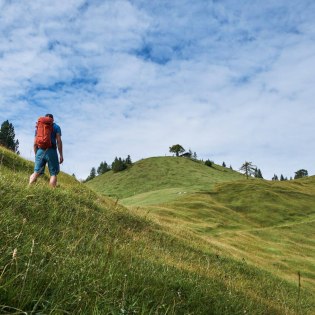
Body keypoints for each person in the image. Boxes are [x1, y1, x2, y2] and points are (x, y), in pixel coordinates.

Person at [29, 114, 64, 187]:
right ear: (52, 120)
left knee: (36, 172)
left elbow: (35, 143)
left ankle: (29, 187)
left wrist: (36, 154)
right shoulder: (56, 127)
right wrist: (61, 155)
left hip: (40, 150)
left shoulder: (39, 126)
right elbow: (59, 141)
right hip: (51, 151)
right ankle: (51, 192)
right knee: (53, 174)